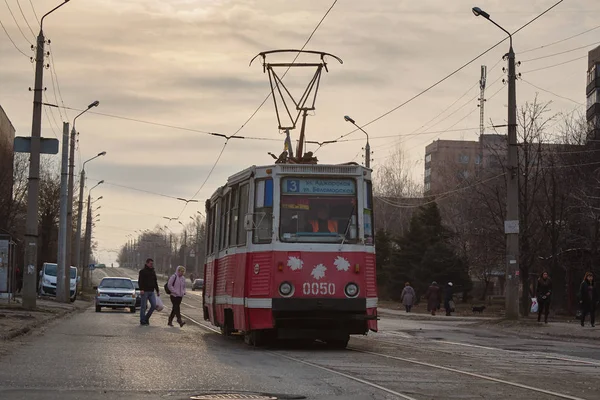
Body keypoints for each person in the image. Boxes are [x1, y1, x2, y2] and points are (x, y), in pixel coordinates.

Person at [138, 258, 160, 326]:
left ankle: (146, 318)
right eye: (150, 263)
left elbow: (155, 281)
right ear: (147, 263)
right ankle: (142, 320)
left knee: (153, 305)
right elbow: (140, 281)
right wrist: (141, 289)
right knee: (143, 306)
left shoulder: (153, 271)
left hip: (151, 291)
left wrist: (157, 290)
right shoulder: (142, 271)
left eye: (152, 264)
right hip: (144, 291)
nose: (151, 265)